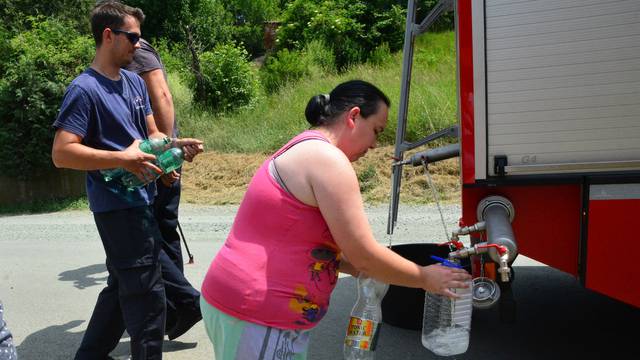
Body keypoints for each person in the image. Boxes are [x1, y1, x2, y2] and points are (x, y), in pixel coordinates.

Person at [199, 80, 472, 358]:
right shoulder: (328, 160)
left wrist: (356, 267)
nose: (375, 145)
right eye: (376, 131)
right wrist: (426, 278)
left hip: (242, 305)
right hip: (258, 313)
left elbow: (301, 241)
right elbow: (364, 253)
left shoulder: (305, 147)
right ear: (353, 116)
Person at [51, 1, 203, 359]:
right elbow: (62, 153)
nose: (138, 45)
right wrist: (123, 158)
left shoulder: (134, 82)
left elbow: (151, 134)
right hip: (116, 208)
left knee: (122, 287)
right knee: (148, 301)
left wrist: (172, 154)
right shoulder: (84, 90)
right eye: (132, 37)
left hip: (143, 199)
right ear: (108, 36)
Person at [124, 37, 202, 339]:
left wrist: (166, 159)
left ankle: (185, 302)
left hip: (154, 158)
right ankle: (173, 309)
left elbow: (162, 97)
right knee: (161, 232)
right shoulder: (136, 46)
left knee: (141, 239)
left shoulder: (135, 50)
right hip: (152, 156)